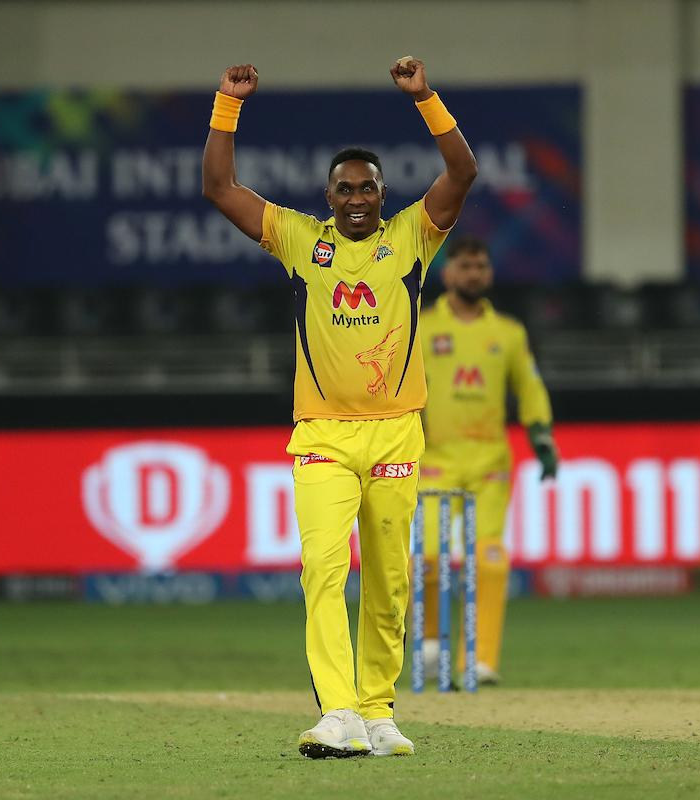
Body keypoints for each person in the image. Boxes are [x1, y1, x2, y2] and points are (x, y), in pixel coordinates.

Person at [202, 57, 476, 759]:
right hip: (321, 435)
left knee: (389, 580)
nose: (356, 197)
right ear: (327, 194)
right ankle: (339, 712)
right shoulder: (300, 238)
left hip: (394, 437)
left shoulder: (413, 235)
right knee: (322, 570)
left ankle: (379, 713)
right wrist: (227, 107)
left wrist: (425, 99)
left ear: (383, 194)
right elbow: (219, 187)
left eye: (368, 187)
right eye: (344, 188)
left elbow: (463, 173)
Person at [418, 235, 557, 685]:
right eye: (466, 266)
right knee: (429, 559)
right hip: (434, 460)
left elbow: (530, 387)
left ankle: (479, 660)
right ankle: (432, 646)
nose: (474, 274)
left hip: (490, 463)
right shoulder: (421, 328)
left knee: (490, 560)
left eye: (481, 266)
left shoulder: (508, 333)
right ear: (449, 273)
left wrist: (541, 433)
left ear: (489, 273)